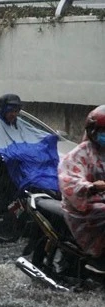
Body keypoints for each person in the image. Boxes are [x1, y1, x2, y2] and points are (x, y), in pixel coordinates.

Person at [0, 93, 60, 208]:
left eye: (16, 111)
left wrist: (49, 139)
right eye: (11, 111)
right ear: (2, 109)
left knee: (34, 181)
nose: (14, 114)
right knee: (6, 191)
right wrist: (0, 152)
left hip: (12, 163)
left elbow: (33, 135)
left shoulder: (18, 123)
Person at [58, 105, 105, 269]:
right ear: (93, 131)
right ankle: (98, 260)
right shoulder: (80, 153)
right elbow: (69, 179)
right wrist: (91, 187)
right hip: (85, 204)